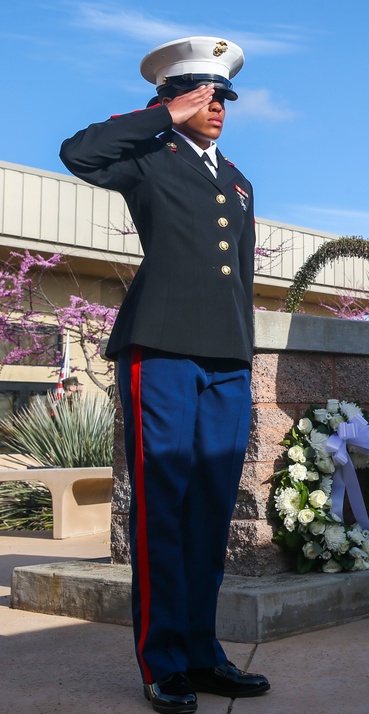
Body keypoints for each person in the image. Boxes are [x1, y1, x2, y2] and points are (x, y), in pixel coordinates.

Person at [60, 36, 269, 713]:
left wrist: (244, 353)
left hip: (225, 360)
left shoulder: (238, 180)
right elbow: (78, 151)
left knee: (211, 510)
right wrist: (162, 118)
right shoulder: (148, 156)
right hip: (163, 349)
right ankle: (163, 661)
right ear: (173, 96)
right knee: (164, 510)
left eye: (223, 98)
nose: (217, 108)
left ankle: (204, 653)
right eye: (204, 96)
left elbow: (240, 275)